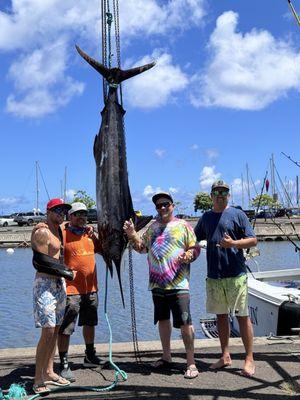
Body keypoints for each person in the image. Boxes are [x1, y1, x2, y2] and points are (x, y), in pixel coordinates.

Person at [123, 192, 201, 379]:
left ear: (173, 206)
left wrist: (190, 255)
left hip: (179, 284)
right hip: (157, 284)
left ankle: (191, 362)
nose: (163, 208)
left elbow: (195, 247)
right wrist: (132, 234)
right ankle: (167, 356)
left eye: (166, 204)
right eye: (159, 206)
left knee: (185, 323)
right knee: (163, 320)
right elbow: (141, 248)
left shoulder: (183, 226)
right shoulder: (152, 228)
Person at [194, 180, 257, 377]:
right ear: (211, 195)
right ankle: (225, 355)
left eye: (224, 192)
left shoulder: (238, 214)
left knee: (242, 316)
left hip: (236, 275)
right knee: (220, 317)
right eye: (217, 192)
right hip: (214, 276)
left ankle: (249, 358)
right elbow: (192, 239)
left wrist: (234, 244)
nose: (220, 195)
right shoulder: (205, 217)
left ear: (228, 195)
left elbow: (253, 240)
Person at [31, 198, 73, 394]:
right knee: (47, 331)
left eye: (64, 210)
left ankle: (49, 371)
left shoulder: (60, 229)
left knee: (56, 330)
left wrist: (89, 228)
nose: (61, 213)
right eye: (57, 210)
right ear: (48, 212)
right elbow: (40, 261)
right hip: (45, 284)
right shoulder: (42, 231)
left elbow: (75, 224)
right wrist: (67, 272)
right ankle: (37, 378)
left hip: (59, 285)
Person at [58, 202, 102, 382]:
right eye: (77, 214)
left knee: (90, 323)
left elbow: (102, 249)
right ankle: (64, 362)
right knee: (66, 327)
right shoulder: (63, 233)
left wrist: (96, 234)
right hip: (71, 290)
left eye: (84, 214)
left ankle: (89, 355)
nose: (81, 217)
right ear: (70, 216)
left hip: (91, 288)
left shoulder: (89, 234)